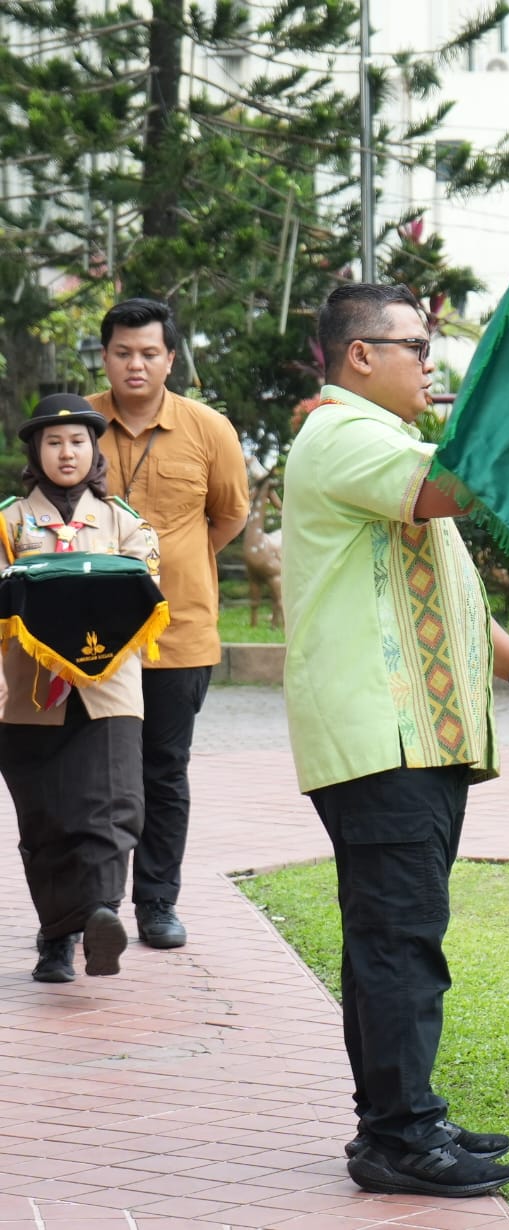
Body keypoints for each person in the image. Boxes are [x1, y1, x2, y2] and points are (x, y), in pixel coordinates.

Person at [282, 283, 509, 1199]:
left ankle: (399, 1117)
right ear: (359, 355)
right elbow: (451, 491)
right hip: (383, 740)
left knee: (392, 933)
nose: (431, 362)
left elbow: (445, 576)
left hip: (415, 739)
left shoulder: (379, 444)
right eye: (415, 345)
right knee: (400, 938)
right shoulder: (344, 437)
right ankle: (400, 1137)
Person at [87, 298, 250, 950]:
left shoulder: (209, 430)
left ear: (170, 359)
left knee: (163, 771)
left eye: (149, 353)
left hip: (179, 634)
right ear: (105, 356)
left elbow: (228, 516)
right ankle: (94, 906)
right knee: (95, 772)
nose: (135, 364)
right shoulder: (77, 424)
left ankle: (156, 904)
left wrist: (182, 563)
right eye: (123, 352)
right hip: (88, 636)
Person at [0, 395, 162, 983]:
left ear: (94, 450)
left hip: (109, 690)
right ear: (35, 452)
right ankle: (55, 938)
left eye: (77, 442)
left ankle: (99, 916)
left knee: (116, 805)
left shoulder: (123, 521)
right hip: (31, 698)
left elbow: (148, 585)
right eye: (53, 442)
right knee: (47, 820)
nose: (66, 453)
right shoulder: (10, 522)